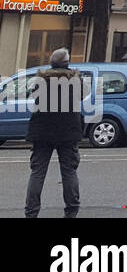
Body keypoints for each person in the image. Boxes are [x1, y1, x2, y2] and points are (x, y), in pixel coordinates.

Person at [24, 49, 86, 218]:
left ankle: (31, 212)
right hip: (68, 131)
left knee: (37, 172)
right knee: (69, 172)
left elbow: (34, 97)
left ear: (51, 62)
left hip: (42, 130)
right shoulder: (75, 79)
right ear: (67, 63)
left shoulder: (41, 79)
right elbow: (81, 96)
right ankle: (71, 211)